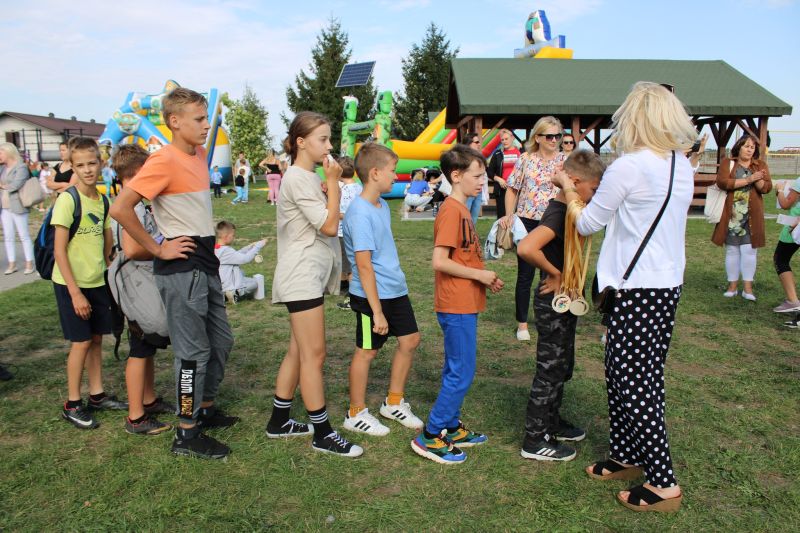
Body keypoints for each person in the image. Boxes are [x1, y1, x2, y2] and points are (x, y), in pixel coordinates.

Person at [552, 81, 697, 512]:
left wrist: (568, 189)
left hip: (635, 288)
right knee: (631, 374)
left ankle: (663, 481)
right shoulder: (681, 164)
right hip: (665, 284)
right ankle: (626, 453)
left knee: (634, 381)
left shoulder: (628, 167)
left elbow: (587, 223)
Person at [110, 87, 237, 460]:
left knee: (221, 341)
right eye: (199, 119)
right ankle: (186, 431)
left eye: (206, 117)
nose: (206, 125)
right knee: (192, 353)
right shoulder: (162, 160)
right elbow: (120, 208)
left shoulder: (198, 154)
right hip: (181, 271)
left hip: (205, 264)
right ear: (174, 122)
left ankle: (205, 408)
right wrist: (158, 248)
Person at [267, 111, 362, 458]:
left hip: (307, 273)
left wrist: (327, 189)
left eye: (329, 138)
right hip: (301, 275)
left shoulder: (305, 177)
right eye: (323, 139)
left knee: (298, 350)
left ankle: (279, 421)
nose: (329, 145)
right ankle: (322, 433)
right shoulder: (296, 177)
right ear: (301, 142)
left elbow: (325, 218)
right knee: (314, 353)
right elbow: (329, 227)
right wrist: (333, 184)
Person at [411, 144, 504, 465]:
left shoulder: (462, 209)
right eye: (476, 176)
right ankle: (430, 434)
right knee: (462, 372)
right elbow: (440, 261)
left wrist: (484, 278)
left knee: (456, 367)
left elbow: (463, 256)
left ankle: (450, 426)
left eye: (484, 176)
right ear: (456, 175)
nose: (483, 182)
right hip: (455, 304)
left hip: (465, 301)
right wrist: (480, 275)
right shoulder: (452, 210)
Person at [516, 149, 606, 461]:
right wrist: (555, 273)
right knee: (550, 371)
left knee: (562, 366)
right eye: (595, 189)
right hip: (552, 302)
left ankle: (551, 422)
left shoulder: (569, 210)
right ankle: (534, 439)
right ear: (576, 183)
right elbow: (527, 247)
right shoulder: (558, 212)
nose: (596, 196)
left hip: (564, 301)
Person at [342, 143, 424, 437]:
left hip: (394, 289)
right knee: (367, 351)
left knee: (410, 340)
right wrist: (377, 312)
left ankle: (393, 403)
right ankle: (355, 413)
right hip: (370, 296)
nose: (396, 176)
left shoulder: (382, 205)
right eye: (392, 171)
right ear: (375, 173)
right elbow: (364, 266)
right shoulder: (359, 214)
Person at [52, 137, 127, 429]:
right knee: (81, 342)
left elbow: (107, 240)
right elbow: (59, 251)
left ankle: (97, 395)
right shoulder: (67, 200)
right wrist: (75, 293)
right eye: (80, 165)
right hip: (71, 284)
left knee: (96, 339)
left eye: (92, 163)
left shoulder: (103, 200)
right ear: (72, 167)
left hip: (96, 282)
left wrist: (110, 263)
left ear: (101, 163)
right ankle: (72, 404)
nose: (87, 170)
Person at [110, 143, 175, 436]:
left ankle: (148, 400)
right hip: (136, 286)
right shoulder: (132, 205)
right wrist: (164, 250)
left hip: (138, 282)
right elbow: (133, 249)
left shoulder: (133, 201)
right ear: (138, 172)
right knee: (139, 347)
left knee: (146, 345)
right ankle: (136, 416)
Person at [501, 117, 567, 341]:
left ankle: (547, 318)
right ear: (537, 137)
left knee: (550, 272)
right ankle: (522, 324)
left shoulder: (565, 160)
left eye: (558, 136)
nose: (554, 140)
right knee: (525, 275)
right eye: (549, 136)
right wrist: (509, 215)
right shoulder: (526, 159)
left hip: (554, 222)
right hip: (527, 221)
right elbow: (512, 188)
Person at [712, 134, 772, 300]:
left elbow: (766, 188)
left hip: (752, 216)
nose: (749, 150)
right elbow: (723, 182)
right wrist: (749, 179)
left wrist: (758, 179)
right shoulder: (728, 163)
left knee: (749, 251)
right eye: (746, 146)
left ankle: (748, 289)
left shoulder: (760, 165)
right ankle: (732, 287)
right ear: (739, 147)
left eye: (752, 147)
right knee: (732, 250)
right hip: (732, 216)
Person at [0, 143, 36, 275]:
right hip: (4, 207)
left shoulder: (21, 167)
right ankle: (12, 264)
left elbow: (16, 185)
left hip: (18, 205)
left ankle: (29, 263)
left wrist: (3, 186)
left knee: (23, 235)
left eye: (1, 153)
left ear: (8, 152)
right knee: (8, 236)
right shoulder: (2, 168)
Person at [214, 220, 266, 303]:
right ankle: (234, 293)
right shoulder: (226, 251)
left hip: (221, 282)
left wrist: (249, 247)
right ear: (226, 236)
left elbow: (236, 254)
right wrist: (258, 246)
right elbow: (245, 259)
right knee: (255, 283)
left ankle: (227, 293)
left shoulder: (218, 248)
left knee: (242, 273)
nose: (234, 238)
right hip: (228, 284)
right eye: (233, 235)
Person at [335, 155, 361, 311]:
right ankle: (344, 286)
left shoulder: (342, 191)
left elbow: (345, 214)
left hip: (343, 233)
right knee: (353, 263)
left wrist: (332, 213)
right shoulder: (360, 188)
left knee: (349, 266)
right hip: (358, 232)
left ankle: (352, 298)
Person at [773, 177, 800, 315]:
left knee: (780, 259)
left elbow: (785, 204)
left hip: (794, 227)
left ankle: (792, 301)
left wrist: (780, 190)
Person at [486, 129, 520, 220]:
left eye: (506, 139)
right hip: (502, 190)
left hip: (518, 190)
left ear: (512, 138)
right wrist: (499, 179)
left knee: (517, 218)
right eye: (502, 140)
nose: (504, 141)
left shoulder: (521, 153)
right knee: (502, 217)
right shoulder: (497, 154)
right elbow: (489, 172)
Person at [464, 132, 488, 225]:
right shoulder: (462, 158)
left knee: (473, 219)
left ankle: (471, 234)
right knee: (465, 219)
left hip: (478, 191)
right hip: (467, 191)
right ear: (469, 143)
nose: (479, 144)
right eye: (476, 142)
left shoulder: (479, 157)